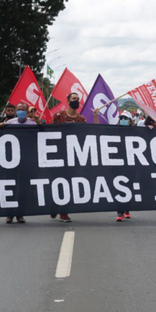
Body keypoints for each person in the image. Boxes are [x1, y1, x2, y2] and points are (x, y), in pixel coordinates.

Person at [52, 93, 86, 222]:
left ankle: (64, 211)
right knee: (57, 182)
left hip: (73, 157)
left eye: (78, 99)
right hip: (58, 156)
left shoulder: (81, 119)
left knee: (69, 183)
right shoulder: (59, 116)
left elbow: (86, 135)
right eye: (74, 99)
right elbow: (50, 133)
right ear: (67, 101)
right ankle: (55, 205)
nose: (76, 101)